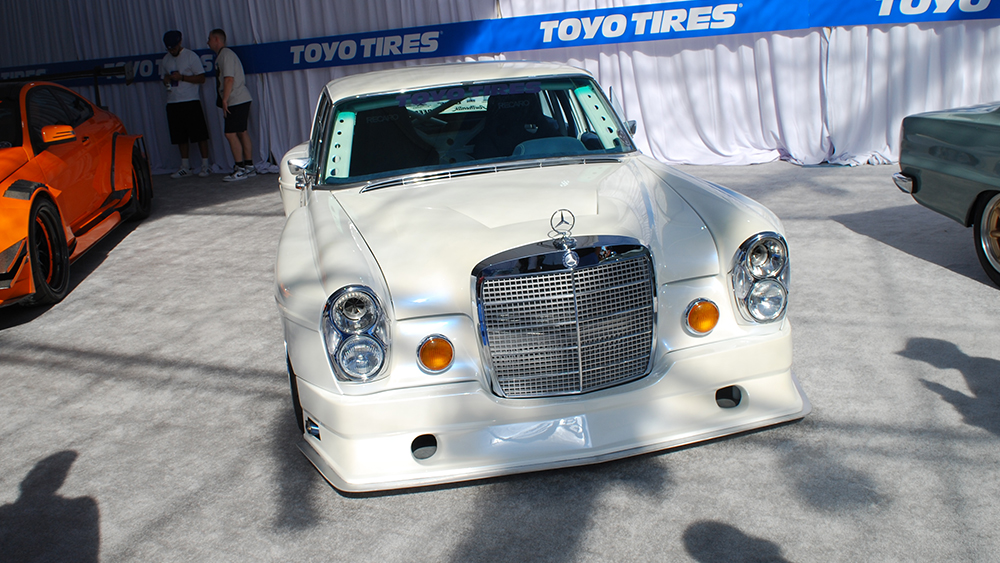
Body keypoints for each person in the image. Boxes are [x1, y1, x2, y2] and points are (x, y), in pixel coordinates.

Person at [160, 30, 211, 178]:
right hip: (173, 101)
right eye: (169, 48)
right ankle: (185, 166)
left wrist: (182, 77)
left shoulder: (190, 56)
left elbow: (201, 78)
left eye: (174, 48)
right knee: (179, 136)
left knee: (200, 134)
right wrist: (167, 80)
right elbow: (163, 77)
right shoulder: (165, 59)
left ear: (180, 43)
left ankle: (205, 165)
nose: (172, 51)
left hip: (190, 100)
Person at [207, 28, 255, 182]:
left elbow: (229, 78)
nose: (207, 42)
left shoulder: (225, 55)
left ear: (216, 39)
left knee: (230, 133)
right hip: (240, 99)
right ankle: (249, 166)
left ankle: (240, 167)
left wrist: (225, 99)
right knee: (241, 131)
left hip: (236, 99)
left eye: (209, 39)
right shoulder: (223, 56)